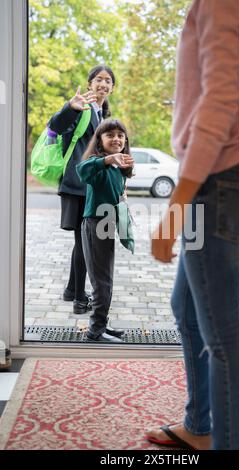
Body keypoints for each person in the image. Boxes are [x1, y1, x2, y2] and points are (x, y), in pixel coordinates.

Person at [147, 0, 239, 450]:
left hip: (219, 179)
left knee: (221, 333)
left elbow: (219, 102)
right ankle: (199, 425)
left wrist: (174, 210)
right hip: (226, 176)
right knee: (187, 307)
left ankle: (222, 443)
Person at [48, 65, 115, 314]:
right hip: (77, 184)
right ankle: (79, 298)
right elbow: (55, 125)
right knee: (84, 240)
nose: (103, 84)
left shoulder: (102, 112)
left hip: (88, 184)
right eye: (99, 79)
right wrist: (69, 106)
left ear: (112, 87)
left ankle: (71, 290)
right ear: (90, 84)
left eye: (108, 81)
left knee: (82, 240)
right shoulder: (82, 106)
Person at [76, 119, 134, 343]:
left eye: (121, 135)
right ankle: (95, 332)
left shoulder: (117, 169)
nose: (116, 139)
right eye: (110, 135)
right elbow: (82, 171)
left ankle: (102, 324)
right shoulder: (96, 164)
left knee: (106, 280)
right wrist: (108, 159)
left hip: (107, 225)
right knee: (102, 282)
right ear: (99, 141)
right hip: (95, 225)